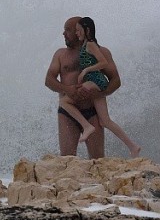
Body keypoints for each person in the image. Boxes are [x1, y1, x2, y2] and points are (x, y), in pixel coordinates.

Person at [64, 17, 141, 156]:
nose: (76, 33)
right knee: (105, 121)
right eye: (75, 31)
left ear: (86, 30)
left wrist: (86, 71)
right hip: (94, 82)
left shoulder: (91, 44)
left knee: (64, 101)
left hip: (96, 81)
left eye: (78, 30)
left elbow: (103, 62)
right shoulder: (85, 44)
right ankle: (133, 147)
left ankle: (87, 126)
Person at [45, 17, 119, 158]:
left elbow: (115, 80)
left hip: (92, 111)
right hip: (68, 113)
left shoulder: (100, 51)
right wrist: (67, 89)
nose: (63, 34)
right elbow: (49, 80)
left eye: (67, 30)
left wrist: (102, 93)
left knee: (97, 160)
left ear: (81, 31)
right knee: (67, 159)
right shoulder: (61, 54)